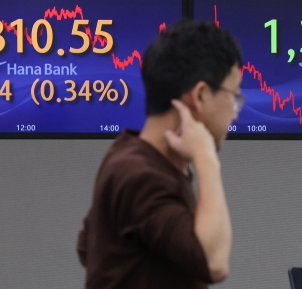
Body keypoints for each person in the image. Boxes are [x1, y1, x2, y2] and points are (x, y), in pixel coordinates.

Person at [77, 19, 244, 289]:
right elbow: (213, 262)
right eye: (233, 96)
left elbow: (87, 246)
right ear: (200, 96)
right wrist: (206, 160)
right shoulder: (139, 174)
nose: (235, 113)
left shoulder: (128, 156)